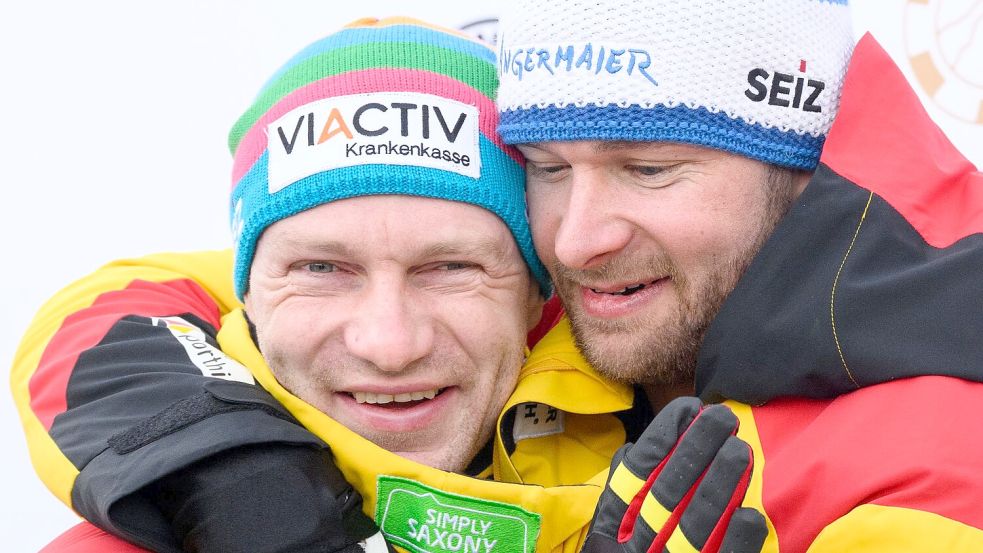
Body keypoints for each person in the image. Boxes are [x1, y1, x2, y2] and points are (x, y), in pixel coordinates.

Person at [17, 0, 983, 551]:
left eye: (649, 167)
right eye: (549, 170)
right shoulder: (568, 312)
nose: (576, 237)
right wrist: (194, 456)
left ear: (805, 172)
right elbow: (151, 293)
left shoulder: (933, 438)